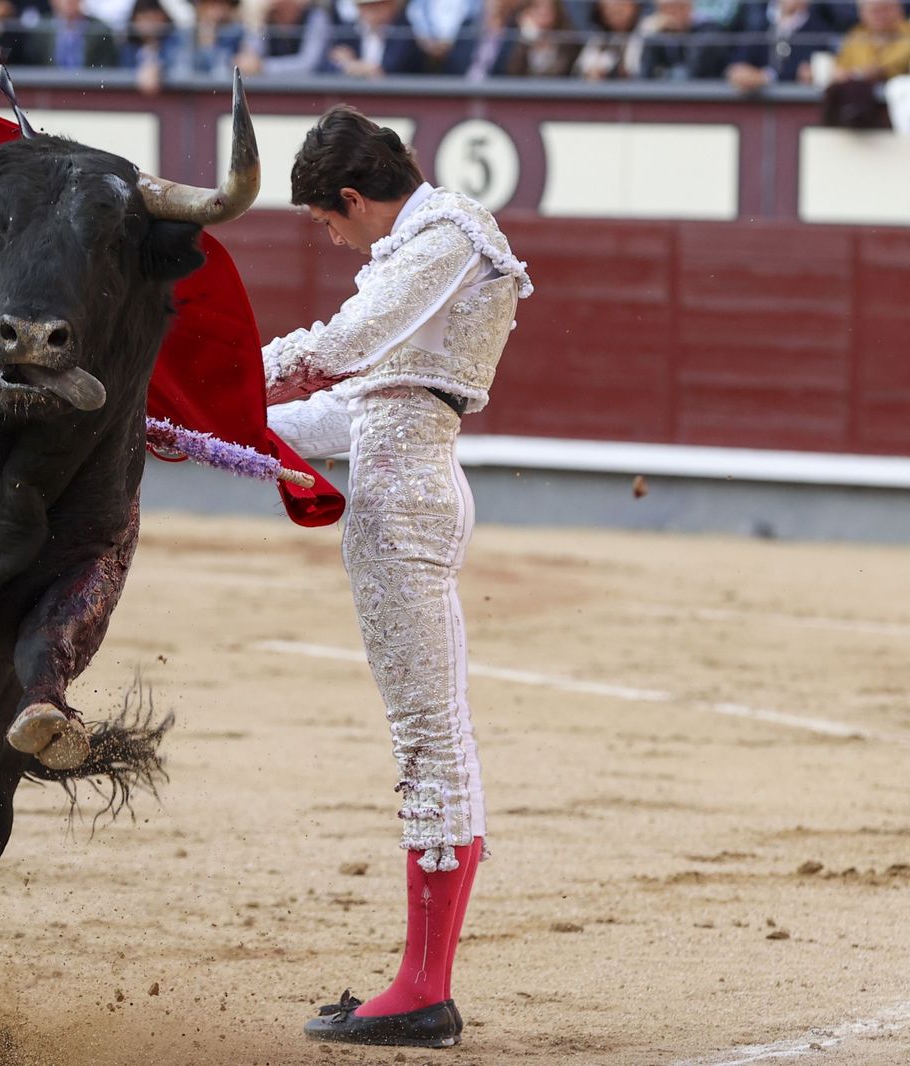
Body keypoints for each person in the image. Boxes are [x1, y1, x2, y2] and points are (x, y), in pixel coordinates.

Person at [261, 105, 531, 1049]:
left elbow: (340, 347)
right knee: (425, 731)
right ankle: (419, 982)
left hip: (407, 504)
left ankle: (424, 990)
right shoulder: (425, 249)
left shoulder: (447, 234)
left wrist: (212, 379)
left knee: (430, 735)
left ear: (349, 197)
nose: (332, 241)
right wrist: (204, 429)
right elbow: (354, 411)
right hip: (398, 483)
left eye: (327, 223)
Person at [724, 0, 827, 90]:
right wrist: (760, 77)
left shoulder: (819, 30)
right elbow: (736, 68)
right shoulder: (757, 22)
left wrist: (816, 74)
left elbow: (820, 72)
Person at [325, 0, 427, 76]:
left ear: (391, 6)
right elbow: (329, 64)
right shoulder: (350, 30)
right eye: (364, 6)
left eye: (376, 5)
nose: (369, 11)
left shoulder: (404, 30)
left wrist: (354, 65)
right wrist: (347, 65)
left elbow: (392, 68)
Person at [571, 0, 640, 78]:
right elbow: (584, 68)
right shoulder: (599, 40)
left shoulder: (647, 32)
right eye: (609, 9)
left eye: (621, 5)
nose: (617, 12)